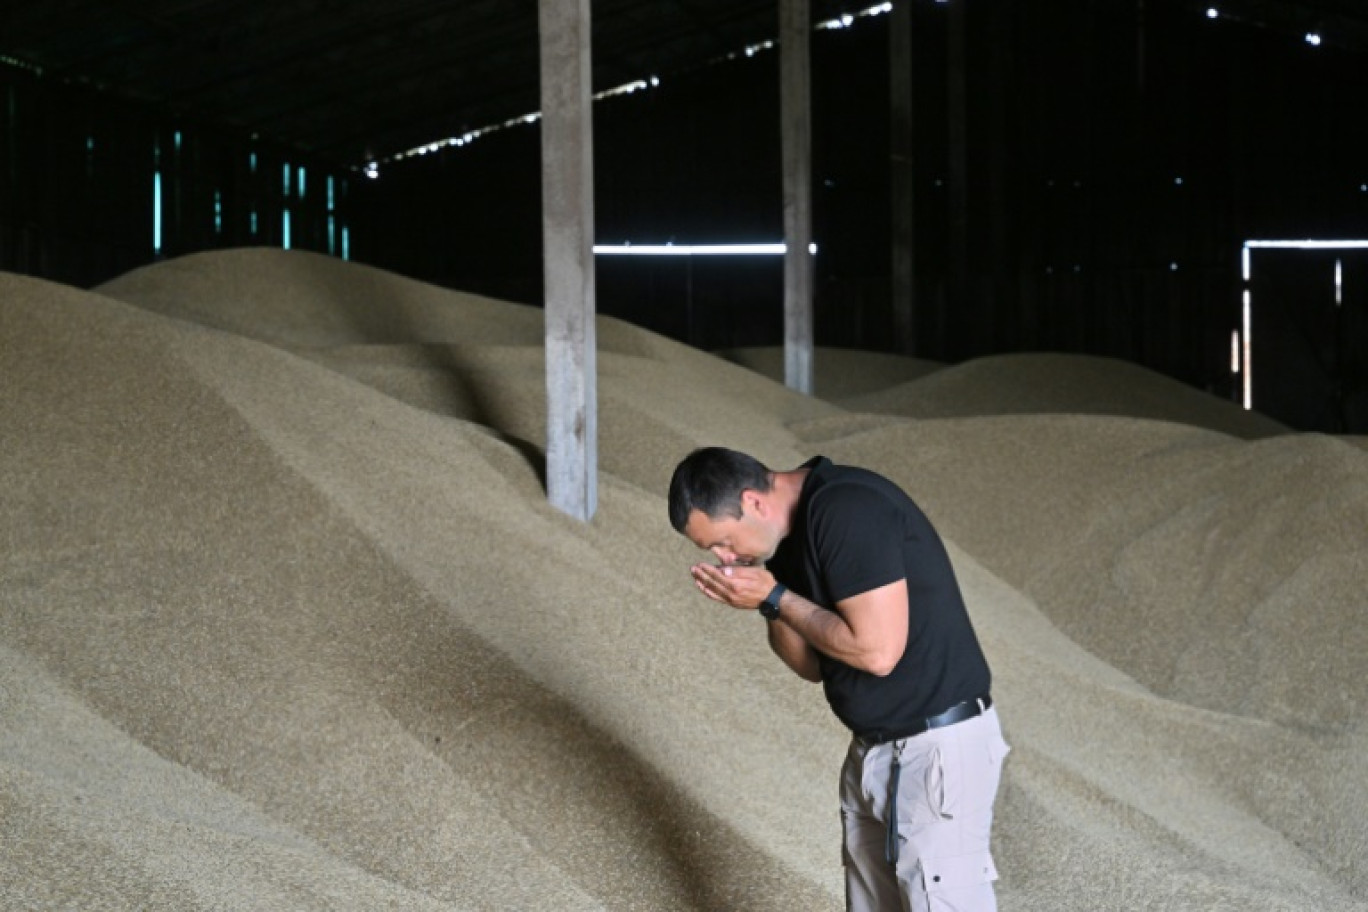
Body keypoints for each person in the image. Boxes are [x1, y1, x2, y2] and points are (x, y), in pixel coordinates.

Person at [668, 446, 1009, 912]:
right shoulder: (783, 541)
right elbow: (810, 666)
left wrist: (778, 596)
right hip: (874, 752)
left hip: (936, 751)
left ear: (753, 502)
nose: (726, 558)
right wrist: (766, 595)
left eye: (724, 543)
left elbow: (876, 651)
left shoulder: (846, 508)